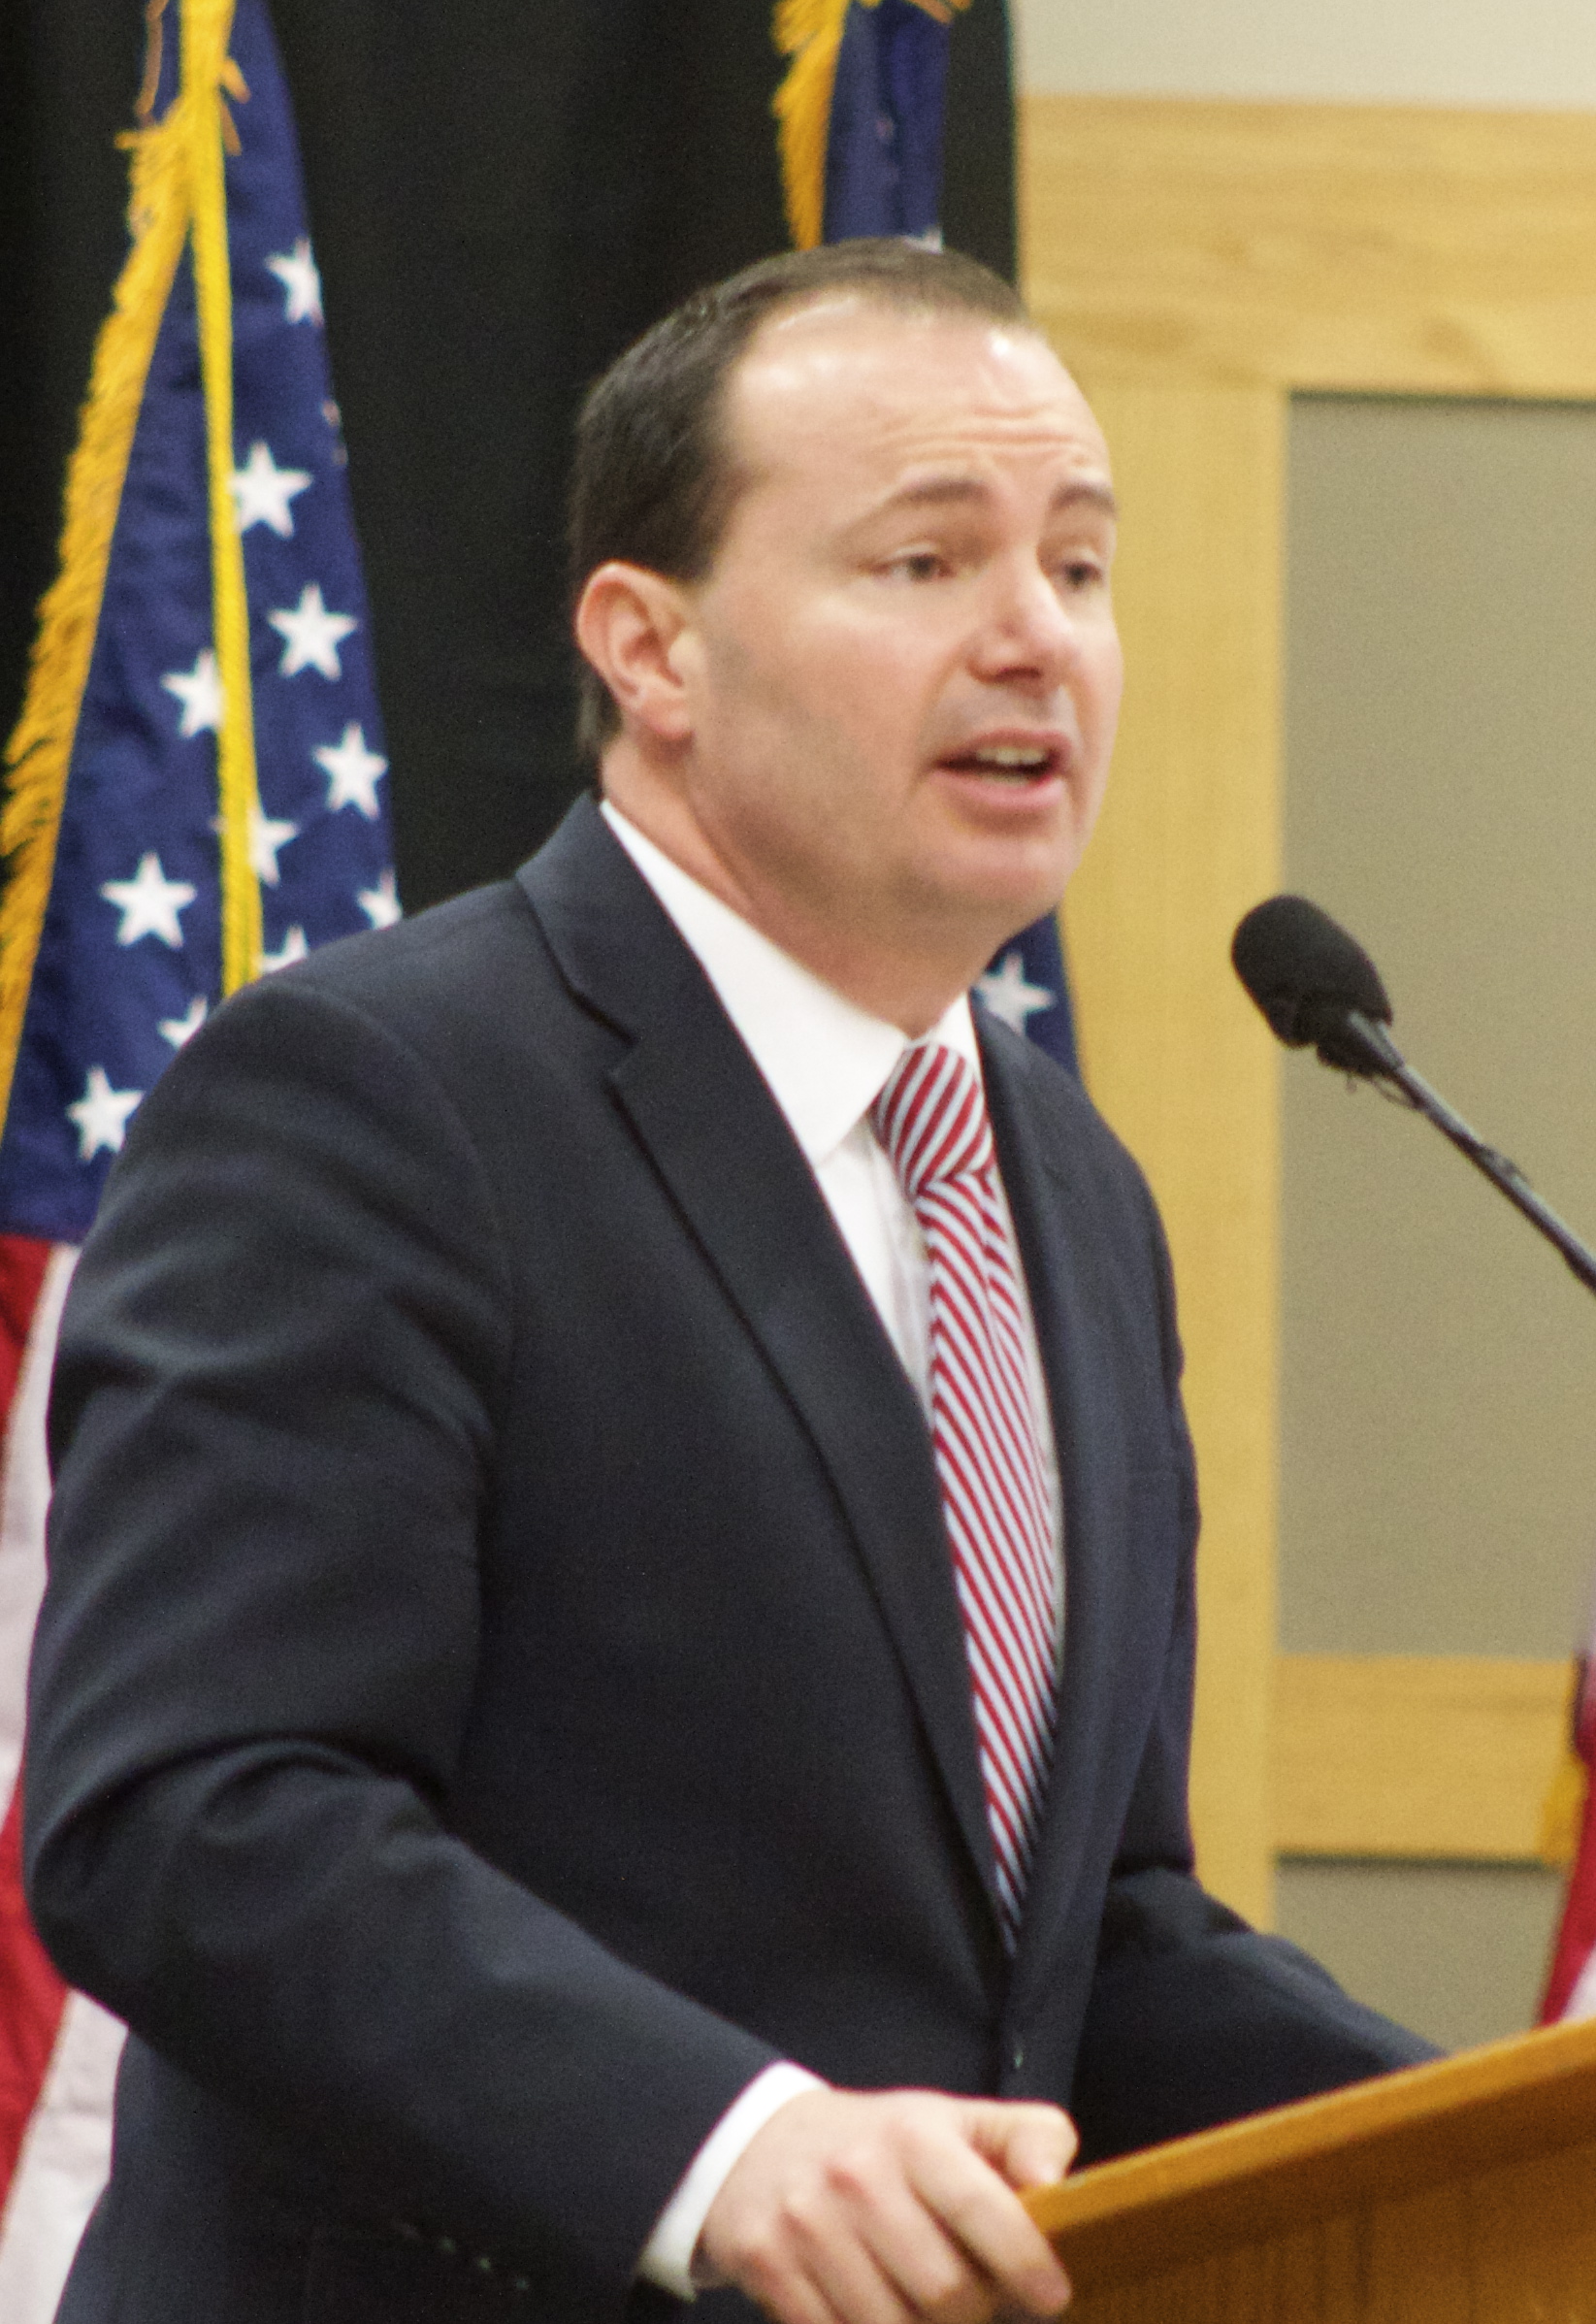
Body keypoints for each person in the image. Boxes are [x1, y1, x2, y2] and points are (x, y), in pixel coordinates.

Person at [24, 241, 1431, 2324]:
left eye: (1077, 566)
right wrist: (719, 2134)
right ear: (649, 647)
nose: (1033, 639)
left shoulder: (1067, 1182)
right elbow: (197, 1816)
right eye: (922, 565)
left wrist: (1497, 2136)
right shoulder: (377, 1096)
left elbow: (1084, 1933)